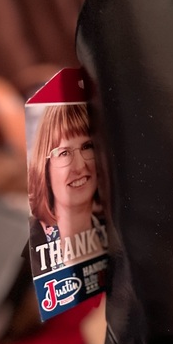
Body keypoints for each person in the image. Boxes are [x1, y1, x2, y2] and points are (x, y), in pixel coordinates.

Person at [27, 104, 107, 277]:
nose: (79, 166)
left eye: (87, 146)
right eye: (63, 153)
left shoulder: (115, 231)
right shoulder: (30, 247)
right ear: (44, 167)